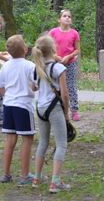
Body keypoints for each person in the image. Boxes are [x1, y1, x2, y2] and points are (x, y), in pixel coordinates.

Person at [0, 35, 37, 186]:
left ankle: (6, 174)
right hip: (24, 106)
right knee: (27, 139)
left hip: (9, 105)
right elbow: (36, 85)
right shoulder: (30, 66)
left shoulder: (6, 65)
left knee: (10, 139)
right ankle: (25, 175)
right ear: (25, 49)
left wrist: (8, 96)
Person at [32, 35, 71, 193]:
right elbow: (65, 94)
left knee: (43, 142)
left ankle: (36, 177)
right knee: (61, 144)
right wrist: (66, 114)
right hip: (54, 108)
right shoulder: (58, 68)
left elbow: (34, 87)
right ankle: (55, 183)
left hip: (40, 108)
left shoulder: (37, 68)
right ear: (53, 49)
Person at [48, 9, 81, 121]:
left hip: (70, 63)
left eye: (69, 16)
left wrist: (68, 57)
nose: (67, 18)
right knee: (56, 86)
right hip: (56, 63)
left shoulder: (74, 33)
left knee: (71, 86)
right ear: (59, 19)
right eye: (64, 16)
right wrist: (56, 56)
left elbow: (77, 50)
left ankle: (74, 110)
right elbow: (48, 47)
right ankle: (57, 108)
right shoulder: (53, 32)